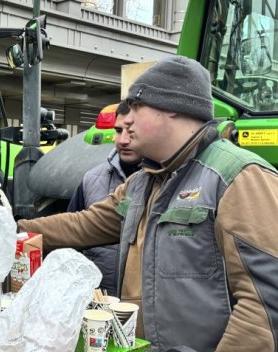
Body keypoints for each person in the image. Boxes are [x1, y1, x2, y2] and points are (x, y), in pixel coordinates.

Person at [18, 56, 278, 351]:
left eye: (138, 106)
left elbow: (266, 304)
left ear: (172, 108)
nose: (127, 118)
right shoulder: (145, 181)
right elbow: (84, 223)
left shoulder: (237, 177)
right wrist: (13, 230)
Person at [67, 101, 141, 295]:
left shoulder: (165, 182)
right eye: (118, 130)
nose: (123, 140)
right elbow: (71, 238)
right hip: (96, 306)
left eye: (131, 131)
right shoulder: (91, 180)